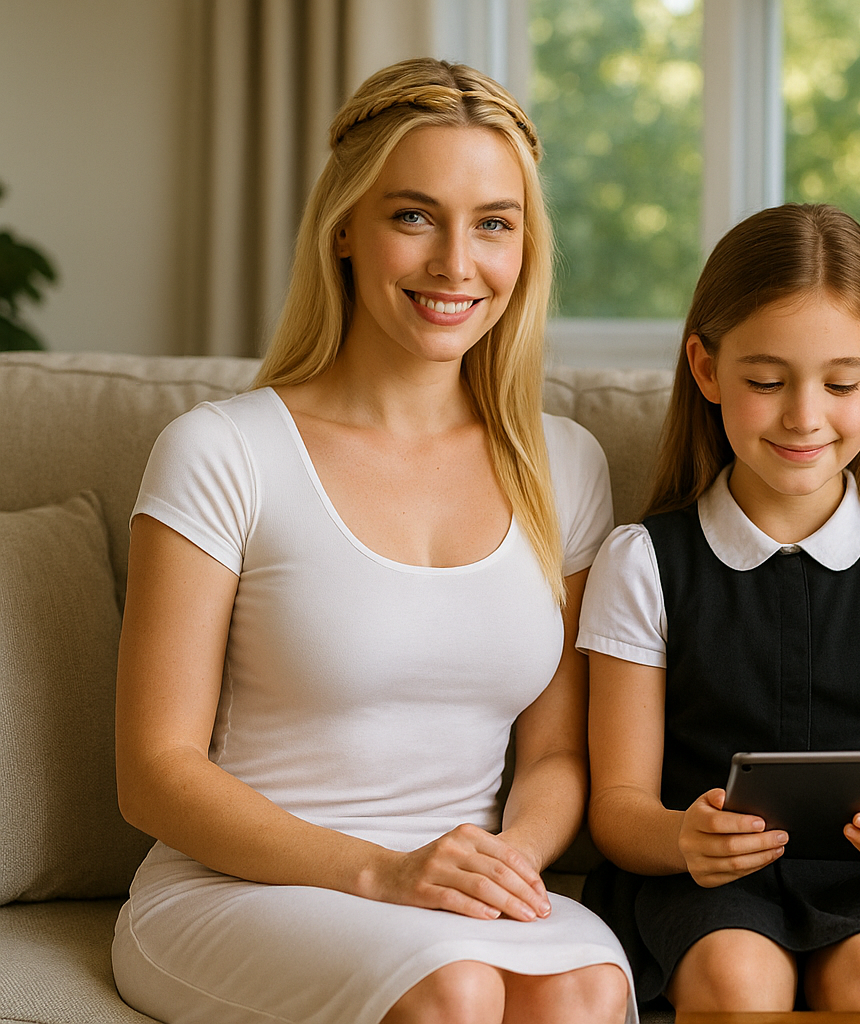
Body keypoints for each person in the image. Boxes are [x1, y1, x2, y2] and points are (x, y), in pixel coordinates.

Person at [112, 58, 634, 1024]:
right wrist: (383, 873)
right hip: (242, 888)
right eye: (412, 216)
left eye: (493, 222)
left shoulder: (564, 464)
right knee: (455, 991)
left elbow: (558, 755)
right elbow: (155, 772)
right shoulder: (222, 451)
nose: (456, 264)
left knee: (586, 991)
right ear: (344, 227)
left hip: (455, 888)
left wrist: (511, 863)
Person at [578, 203, 860, 1012]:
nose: (804, 416)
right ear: (705, 369)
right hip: (696, 884)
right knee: (740, 977)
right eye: (766, 382)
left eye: (840, 383)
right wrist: (683, 838)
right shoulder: (644, 561)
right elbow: (617, 810)